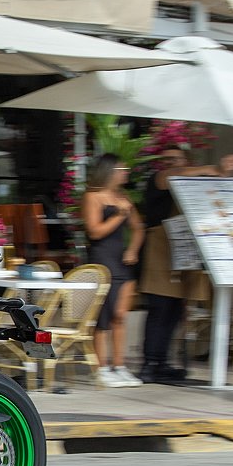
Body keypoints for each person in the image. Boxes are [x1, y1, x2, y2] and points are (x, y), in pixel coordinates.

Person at [138, 144, 233, 383]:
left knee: (175, 311)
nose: (170, 163)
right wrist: (213, 168)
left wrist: (224, 171)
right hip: (159, 251)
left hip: (183, 250)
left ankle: (162, 362)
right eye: (165, 159)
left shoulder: (192, 179)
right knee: (159, 308)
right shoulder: (159, 178)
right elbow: (173, 175)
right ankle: (149, 364)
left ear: (186, 160)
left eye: (175, 159)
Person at [81, 154, 145, 387]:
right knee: (103, 317)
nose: (125, 173)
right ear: (109, 171)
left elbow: (138, 227)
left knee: (120, 315)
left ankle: (120, 365)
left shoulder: (123, 198)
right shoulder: (92, 196)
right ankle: (102, 367)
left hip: (122, 261)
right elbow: (95, 231)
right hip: (102, 260)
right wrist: (119, 215)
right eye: (121, 169)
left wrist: (133, 250)